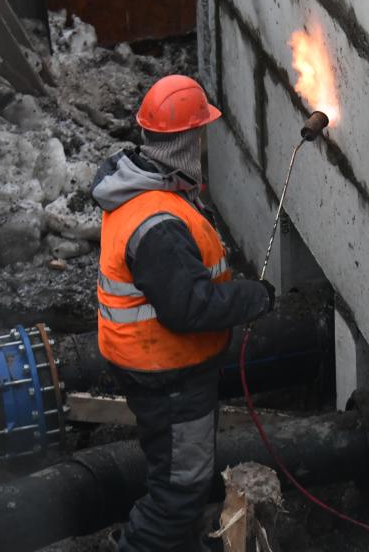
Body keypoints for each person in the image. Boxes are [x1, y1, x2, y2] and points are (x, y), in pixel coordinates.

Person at [90, 74, 275, 552]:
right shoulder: (159, 224)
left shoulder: (148, 188)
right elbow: (189, 307)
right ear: (190, 139)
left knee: (174, 470)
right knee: (180, 490)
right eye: (202, 132)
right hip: (167, 374)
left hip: (154, 364)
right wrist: (255, 298)